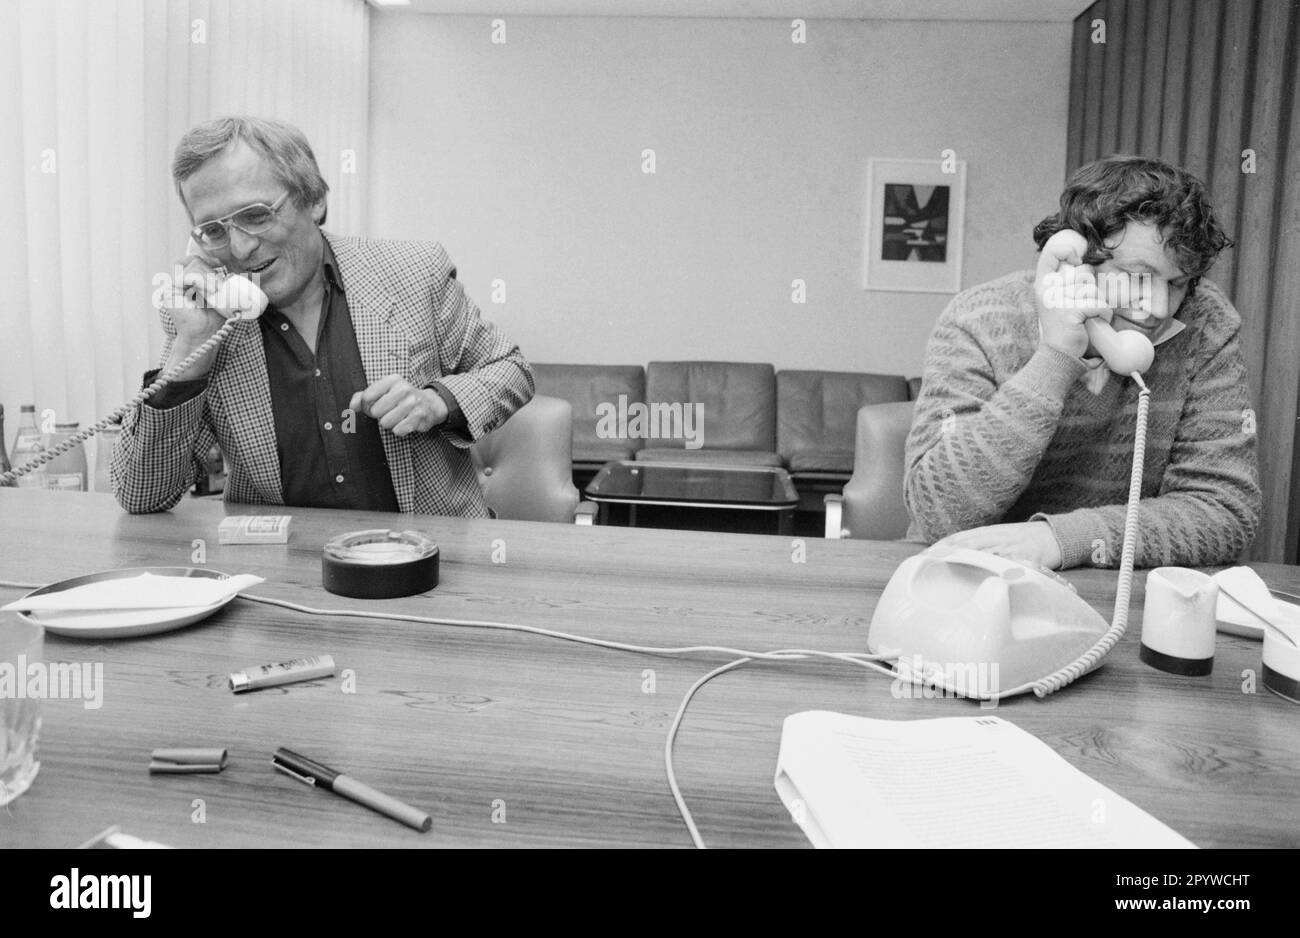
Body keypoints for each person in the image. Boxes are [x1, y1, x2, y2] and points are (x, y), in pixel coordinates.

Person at [112, 116, 533, 517]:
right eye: (215, 231)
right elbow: (142, 494)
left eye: (255, 215)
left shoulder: (415, 271)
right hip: (283, 573)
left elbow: (511, 369)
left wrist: (436, 401)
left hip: (427, 560)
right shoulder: (208, 321)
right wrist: (191, 345)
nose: (239, 250)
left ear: (314, 199)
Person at [904, 155, 1261, 569]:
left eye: (1177, 284)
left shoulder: (1205, 324)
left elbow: (1225, 509)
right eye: (1137, 276)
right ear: (1075, 259)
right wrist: (1055, 358)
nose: (1157, 309)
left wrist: (1061, 540)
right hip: (966, 580)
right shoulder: (978, 320)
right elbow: (939, 513)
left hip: (1111, 590)